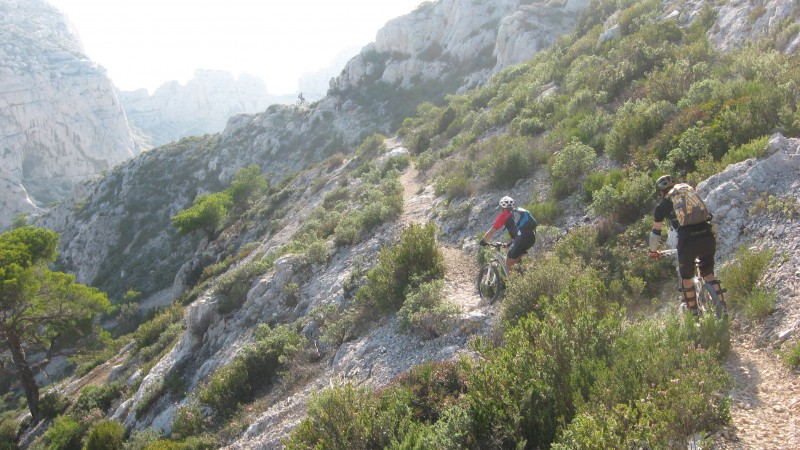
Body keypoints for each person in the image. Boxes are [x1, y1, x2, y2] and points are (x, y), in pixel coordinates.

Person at [648, 175, 725, 315]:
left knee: (686, 278)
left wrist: (652, 251)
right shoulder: (689, 197)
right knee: (708, 274)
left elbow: (656, 233)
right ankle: (722, 308)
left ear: (660, 193)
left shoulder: (662, 206)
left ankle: (693, 314)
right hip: (707, 236)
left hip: (688, 241)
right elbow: (709, 217)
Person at [479, 196, 537, 271]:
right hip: (532, 237)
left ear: (502, 207)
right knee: (516, 261)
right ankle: (523, 276)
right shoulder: (519, 213)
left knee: (508, 262)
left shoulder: (503, 215)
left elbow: (491, 232)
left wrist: (483, 241)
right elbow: (518, 232)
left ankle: (511, 282)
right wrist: (508, 244)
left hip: (521, 238)